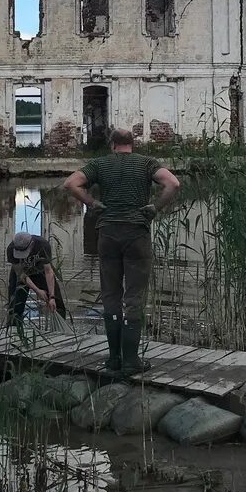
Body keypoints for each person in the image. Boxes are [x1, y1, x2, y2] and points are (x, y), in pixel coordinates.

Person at [63, 128, 181, 374]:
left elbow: (71, 184)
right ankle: (131, 362)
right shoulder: (146, 163)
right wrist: (154, 207)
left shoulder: (99, 164)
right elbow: (172, 183)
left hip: (107, 234)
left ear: (112, 144)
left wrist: (92, 203)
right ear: (132, 144)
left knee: (111, 296)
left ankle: (113, 360)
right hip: (136, 234)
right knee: (134, 298)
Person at [6, 231, 68, 325]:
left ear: (31, 244)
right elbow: (21, 274)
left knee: (57, 302)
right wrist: (37, 290)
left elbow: (48, 271)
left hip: (40, 271)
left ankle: (60, 327)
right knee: (15, 304)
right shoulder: (10, 249)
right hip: (21, 273)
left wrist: (51, 296)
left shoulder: (43, 245)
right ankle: (14, 328)